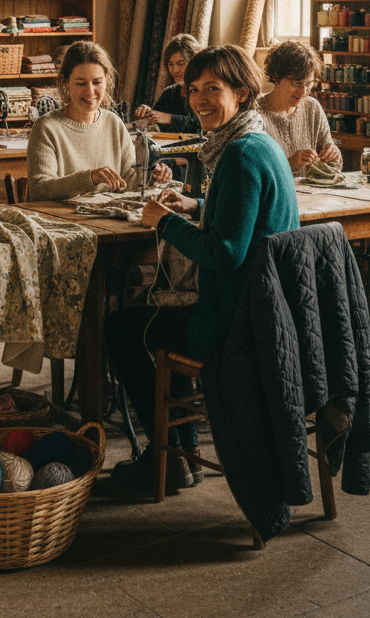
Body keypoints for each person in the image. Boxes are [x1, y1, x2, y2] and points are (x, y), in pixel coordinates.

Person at [105, 44, 299, 493]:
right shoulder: (260, 141)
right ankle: (180, 454)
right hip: (266, 311)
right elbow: (242, 215)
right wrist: (198, 204)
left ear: (244, 93)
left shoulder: (239, 155)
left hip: (236, 321)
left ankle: (168, 454)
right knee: (154, 319)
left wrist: (166, 221)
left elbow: (225, 252)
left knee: (121, 329)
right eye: (193, 90)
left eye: (213, 89)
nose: (198, 100)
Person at [27, 40, 171, 201]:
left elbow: (129, 181)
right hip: (60, 221)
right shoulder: (46, 128)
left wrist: (153, 178)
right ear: (64, 82)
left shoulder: (114, 124)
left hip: (106, 221)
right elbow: (39, 189)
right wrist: (89, 178)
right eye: (81, 83)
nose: (90, 91)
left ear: (106, 80)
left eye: (97, 82)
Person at [257, 41, 342, 175]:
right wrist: (287, 164)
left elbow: (331, 168)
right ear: (276, 77)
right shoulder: (254, 113)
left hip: (313, 195)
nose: (303, 91)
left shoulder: (312, 107)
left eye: (309, 83)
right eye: (296, 83)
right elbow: (251, 172)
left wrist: (334, 155)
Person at [133, 34, 202, 133]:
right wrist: (146, 113)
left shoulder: (204, 92)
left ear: (194, 62)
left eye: (181, 64)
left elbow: (204, 126)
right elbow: (155, 120)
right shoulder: (169, 93)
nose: (175, 70)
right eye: (171, 64)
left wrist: (170, 118)